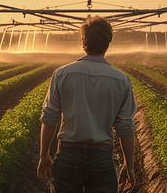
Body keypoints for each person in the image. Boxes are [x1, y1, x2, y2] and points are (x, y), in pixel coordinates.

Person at [37, 16, 136, 193]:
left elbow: (50, 117)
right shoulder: (121, 80)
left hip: (68, 155)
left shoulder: (62, 74)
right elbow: (125, 127)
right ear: (108, 42)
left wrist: (44, 155)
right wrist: (129, 165)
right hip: (101, 157)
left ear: (83, 41)